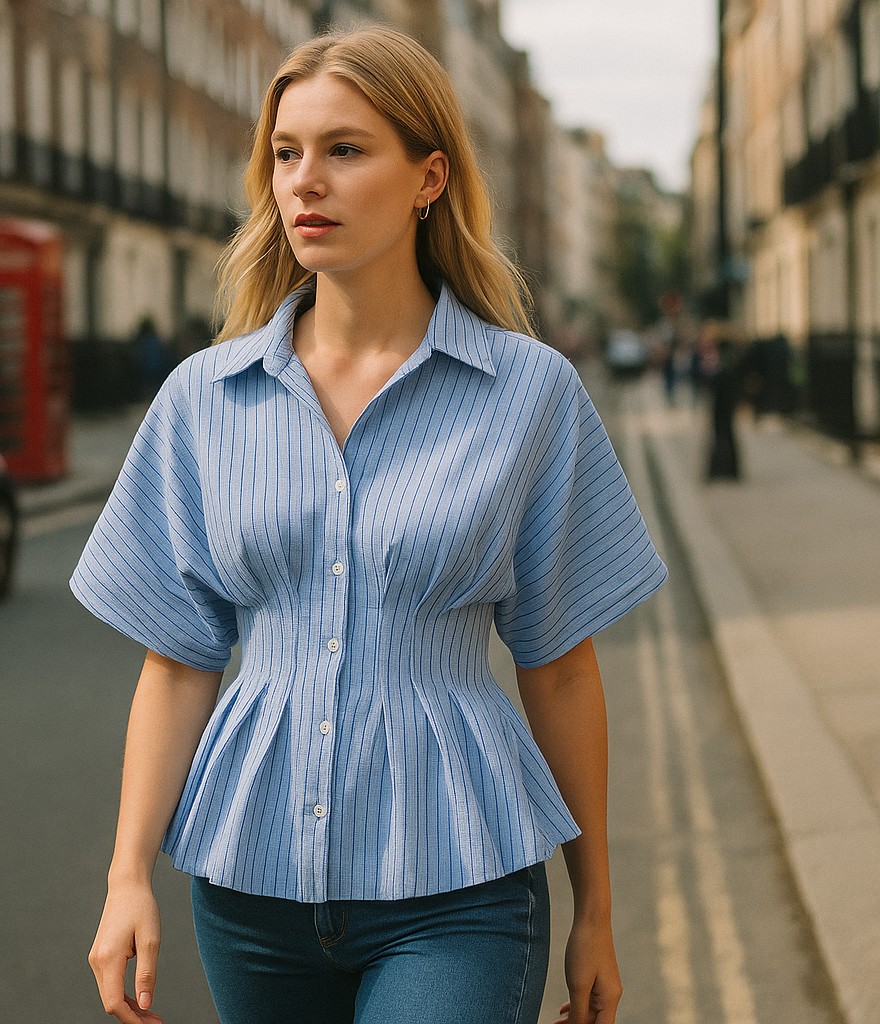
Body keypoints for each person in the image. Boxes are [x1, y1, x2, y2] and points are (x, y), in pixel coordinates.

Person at [72, 25, 666, 1024]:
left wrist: (596, 904)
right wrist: (127, 874)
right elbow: (177, 659)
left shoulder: (529, 394)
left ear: (429, 176)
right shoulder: (200, 400)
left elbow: (559, 662)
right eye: (285, 152)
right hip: (249, 890)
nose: (305, 181)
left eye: (345, 150)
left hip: (460, 885)